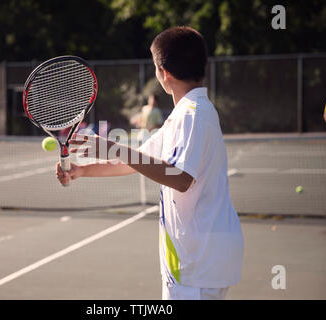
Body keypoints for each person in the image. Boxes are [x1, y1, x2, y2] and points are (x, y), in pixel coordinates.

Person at [56, 26, 244, 300]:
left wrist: (113, 147)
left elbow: (180, 178)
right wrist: (81, 170)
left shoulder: (193, 114)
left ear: (164, 74)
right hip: (197, 261)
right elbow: (136, 161)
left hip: (197, 264)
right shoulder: (183, 115)